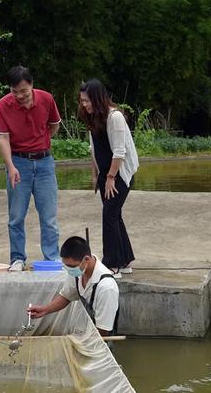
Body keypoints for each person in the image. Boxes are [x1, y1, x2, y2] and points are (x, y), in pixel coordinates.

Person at [0, 66, 61, 271]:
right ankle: (17, 259)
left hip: (44, 162)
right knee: (16, 215)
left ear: (31, 85)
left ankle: (51, 258)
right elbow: (2, 139)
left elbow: (54, 125)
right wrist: (11, 166)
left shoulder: (46, 99)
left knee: (49, 215)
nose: (20, 95)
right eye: (15, 91)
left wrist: (42, 141)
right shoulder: (3, 105)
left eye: (23, 90)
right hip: (18, 161)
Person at [78, 79, 139, 277]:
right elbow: (94, 148)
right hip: (105, 173)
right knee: (115, 215)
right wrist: (95, 174)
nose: (85, 104)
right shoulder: (92, 117)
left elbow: (120, 152)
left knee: (110, 215)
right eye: (82, 101)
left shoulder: (115, 117)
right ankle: (125, 260)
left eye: (87, 100)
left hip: (120, 173)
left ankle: (112, 264)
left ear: (97, 98)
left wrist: (111, 177)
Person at [27, 236, 119, 336]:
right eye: (66, 265)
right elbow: (66, 295)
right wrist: (44, 310)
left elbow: (103, 329)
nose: (69, 269)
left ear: (86, 259)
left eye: (71, 266)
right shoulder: (77, 272)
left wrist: (83, 341)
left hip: (101, 339)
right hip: (86, 333)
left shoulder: (106, 288)